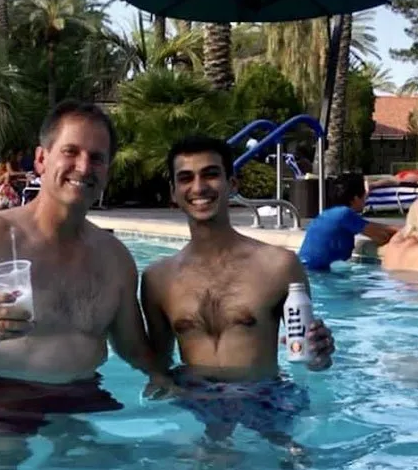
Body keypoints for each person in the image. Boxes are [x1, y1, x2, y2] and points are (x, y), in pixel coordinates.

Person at [0, 100, 170, 436]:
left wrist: (162, 375)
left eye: (97, 157)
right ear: (41, 159)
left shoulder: (115, 258)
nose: (83, 166)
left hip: (83, 396)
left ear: (107, 169)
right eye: (71, 151)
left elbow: (131, 345)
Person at [140, 135, 335, 443]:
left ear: (232, 184)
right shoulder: (157, 279)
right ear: (174, 193)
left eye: (211, 174)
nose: (199, 187)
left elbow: (310, 357)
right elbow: (160, 365)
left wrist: (320, 354)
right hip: (197, 398)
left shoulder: (279, 266)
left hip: (267, 397)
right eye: (186, 178)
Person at [298, 172, 400, 271]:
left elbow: (377, 228)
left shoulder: (329, 213)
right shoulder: (344, 214)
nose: (366, 198)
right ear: (355, 198)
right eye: (365, 194)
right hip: (313, 273)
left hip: (305, 270)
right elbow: (381, 236)